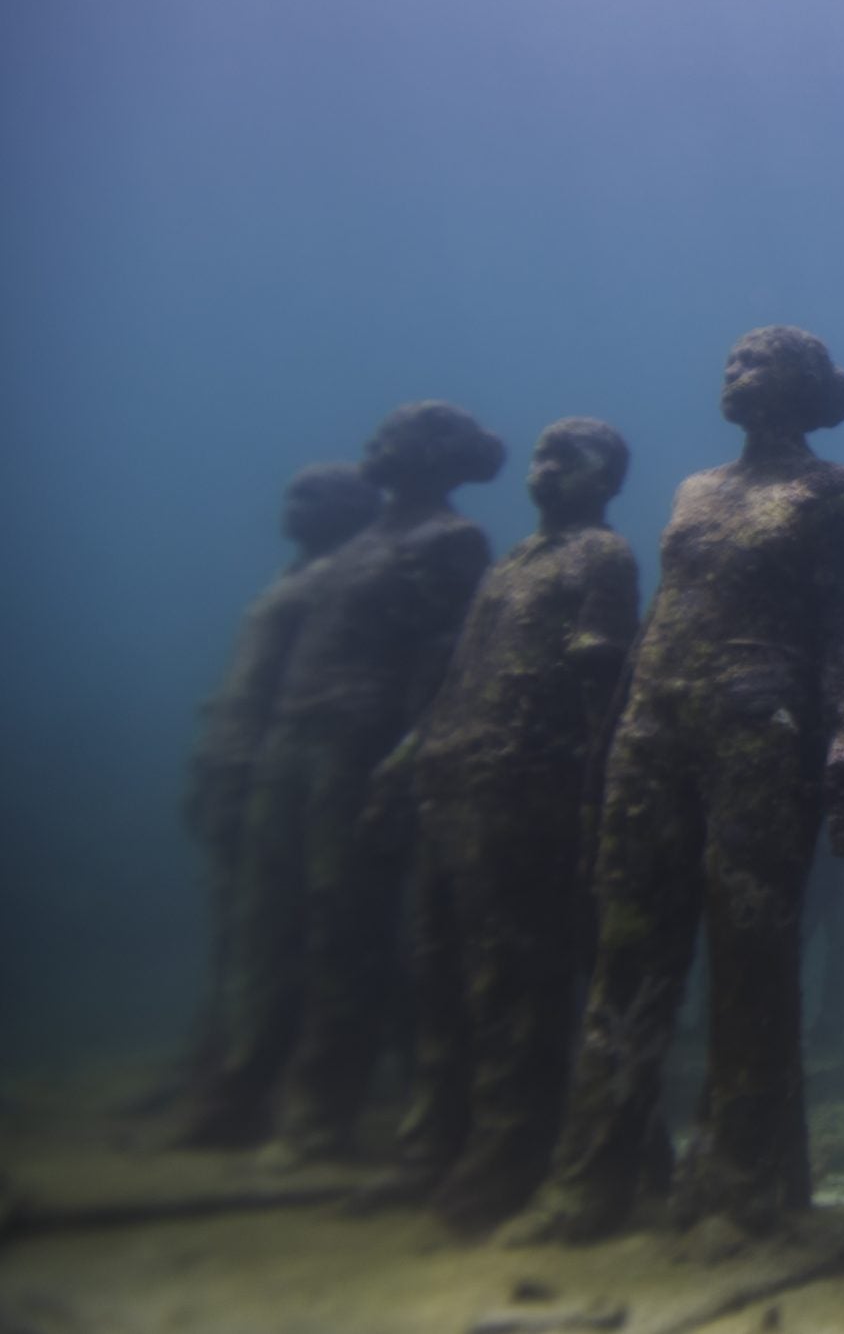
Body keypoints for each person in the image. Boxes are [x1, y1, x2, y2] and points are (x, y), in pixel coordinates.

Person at [502, 327, 844, 1247]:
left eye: (757, 360)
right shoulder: (693, 490)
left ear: (800, 385)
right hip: (655, 723)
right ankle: (595, 1175)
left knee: (750, 945)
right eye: (729, 360)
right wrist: (610, 742)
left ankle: (739, 1184)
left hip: (758, 723)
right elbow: (663, 617)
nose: (734, 370)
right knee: (627, 943)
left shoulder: (836, 493)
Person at [184, 405, 504, 1160]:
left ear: (430, 455)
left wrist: (406, 757)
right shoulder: (353, 545)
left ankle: (321, 1105)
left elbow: (444, 663)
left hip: (357, 746)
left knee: (343, 925)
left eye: (391, 437)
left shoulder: (452, 541)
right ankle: (241, 1086)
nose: (373, 444)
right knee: (264, 921)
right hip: (291, 742)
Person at [366, 418, 640, 1234]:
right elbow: (457, 677)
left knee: (509, 979)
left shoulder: (604, 557)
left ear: (605, 476)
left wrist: (595, 801)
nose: (543, 469)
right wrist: (405, 759)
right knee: (436, 971)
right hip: (453, 779)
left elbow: (603, 683)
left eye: (564, 456)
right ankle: (431, 1141)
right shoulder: (509, 566)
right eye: (540, 453)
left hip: (527, 788)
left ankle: (508, 1149)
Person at [177, 463, 380, 1117]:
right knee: (238, 921)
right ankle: (221, 1061)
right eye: (294, 493)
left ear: (350, 509)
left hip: (291, 758)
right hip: (245, 758)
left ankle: (261, 1076)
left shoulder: (338, 578)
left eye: (311, 496)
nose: (292, 505)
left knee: (283, 922)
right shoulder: (294, 575)